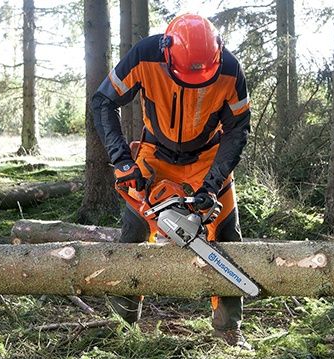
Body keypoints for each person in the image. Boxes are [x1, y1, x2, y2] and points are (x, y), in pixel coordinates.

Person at [91, 13, 251, 348]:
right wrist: (122, 162)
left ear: (217, 51)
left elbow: (237, 129)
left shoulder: (229, 70)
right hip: (156, 155)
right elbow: (104, 100)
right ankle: (124, 321)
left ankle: (228, 329)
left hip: (207, 158)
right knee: (134, 231)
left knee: (226, 234)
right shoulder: (145, 55)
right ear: (167, 51)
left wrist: (212, 184)